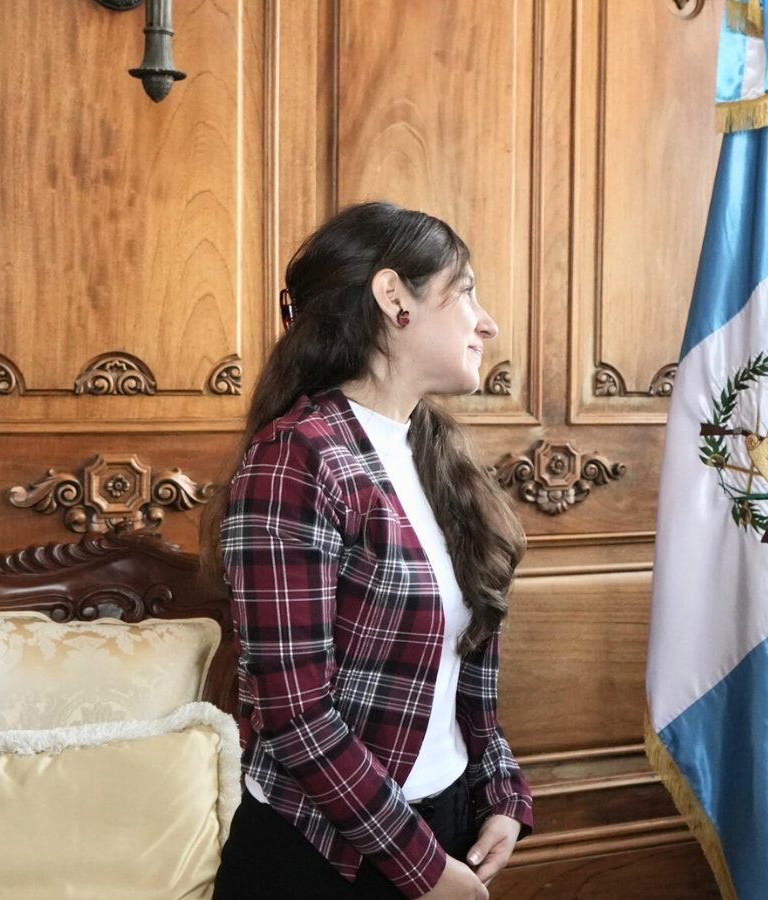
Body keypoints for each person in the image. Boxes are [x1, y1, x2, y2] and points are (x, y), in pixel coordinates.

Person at [206, 202, 533, 899]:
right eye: (464, 291)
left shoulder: (435, 451)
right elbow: (295, 712)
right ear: (393, 298)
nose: (487, 323)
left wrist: (501, 792)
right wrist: (422, 867)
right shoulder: (296, 457)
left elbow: (466, 664)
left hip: (445, 826)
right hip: (321, 857)